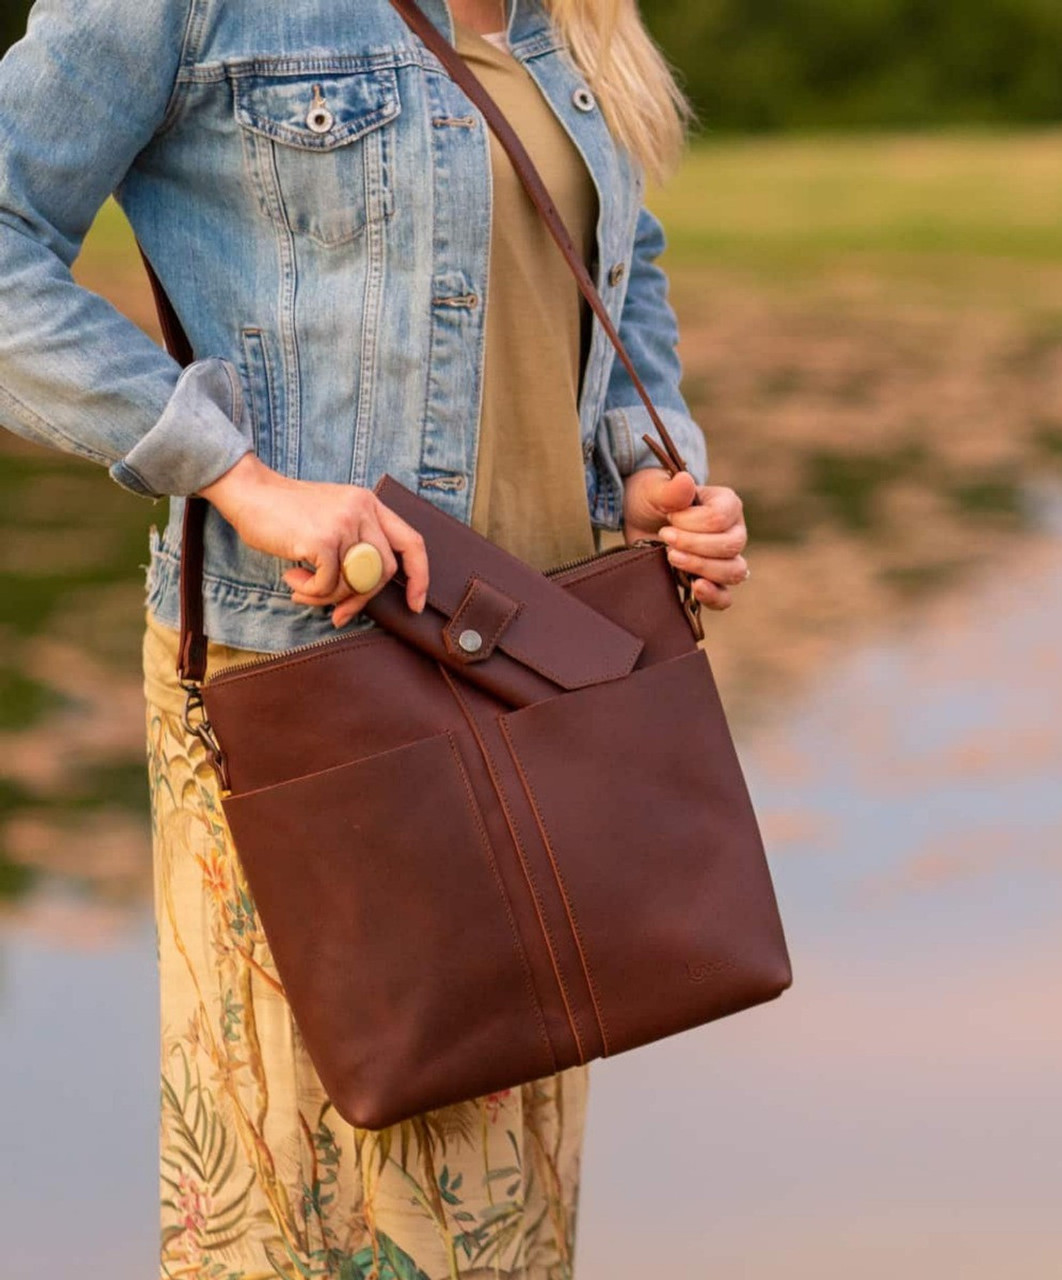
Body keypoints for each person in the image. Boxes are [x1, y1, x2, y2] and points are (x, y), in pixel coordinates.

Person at [0, 0, 750, 1273]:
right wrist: (239, 477)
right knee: (307, 1223)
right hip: (303, 689)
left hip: (545, 685)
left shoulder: (564, 16)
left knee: (491, 1228)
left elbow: (621, 254)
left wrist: (645, 461)